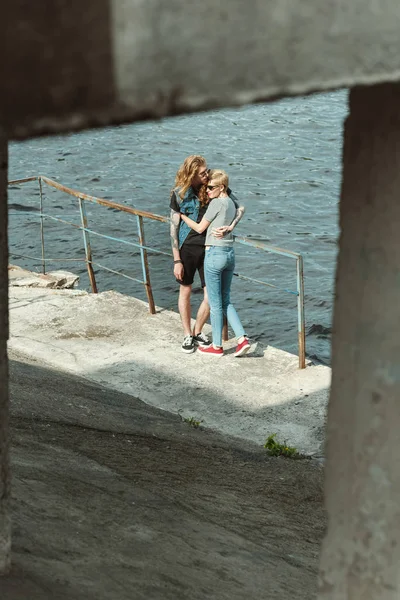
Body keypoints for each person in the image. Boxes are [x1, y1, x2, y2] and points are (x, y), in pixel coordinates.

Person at [170, 156, 244, 353]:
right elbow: (173, 228)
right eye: (202, 173)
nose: (206, 175)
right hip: (187, 247)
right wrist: (176, 259)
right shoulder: (179, 194)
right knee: (185, 290)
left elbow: (240, 208)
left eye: (206, 170)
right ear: (192, 174)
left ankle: (197, 331)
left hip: (211, 248)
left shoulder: (214, 185)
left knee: (210, 297)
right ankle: (187, 334)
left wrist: (231, 226)